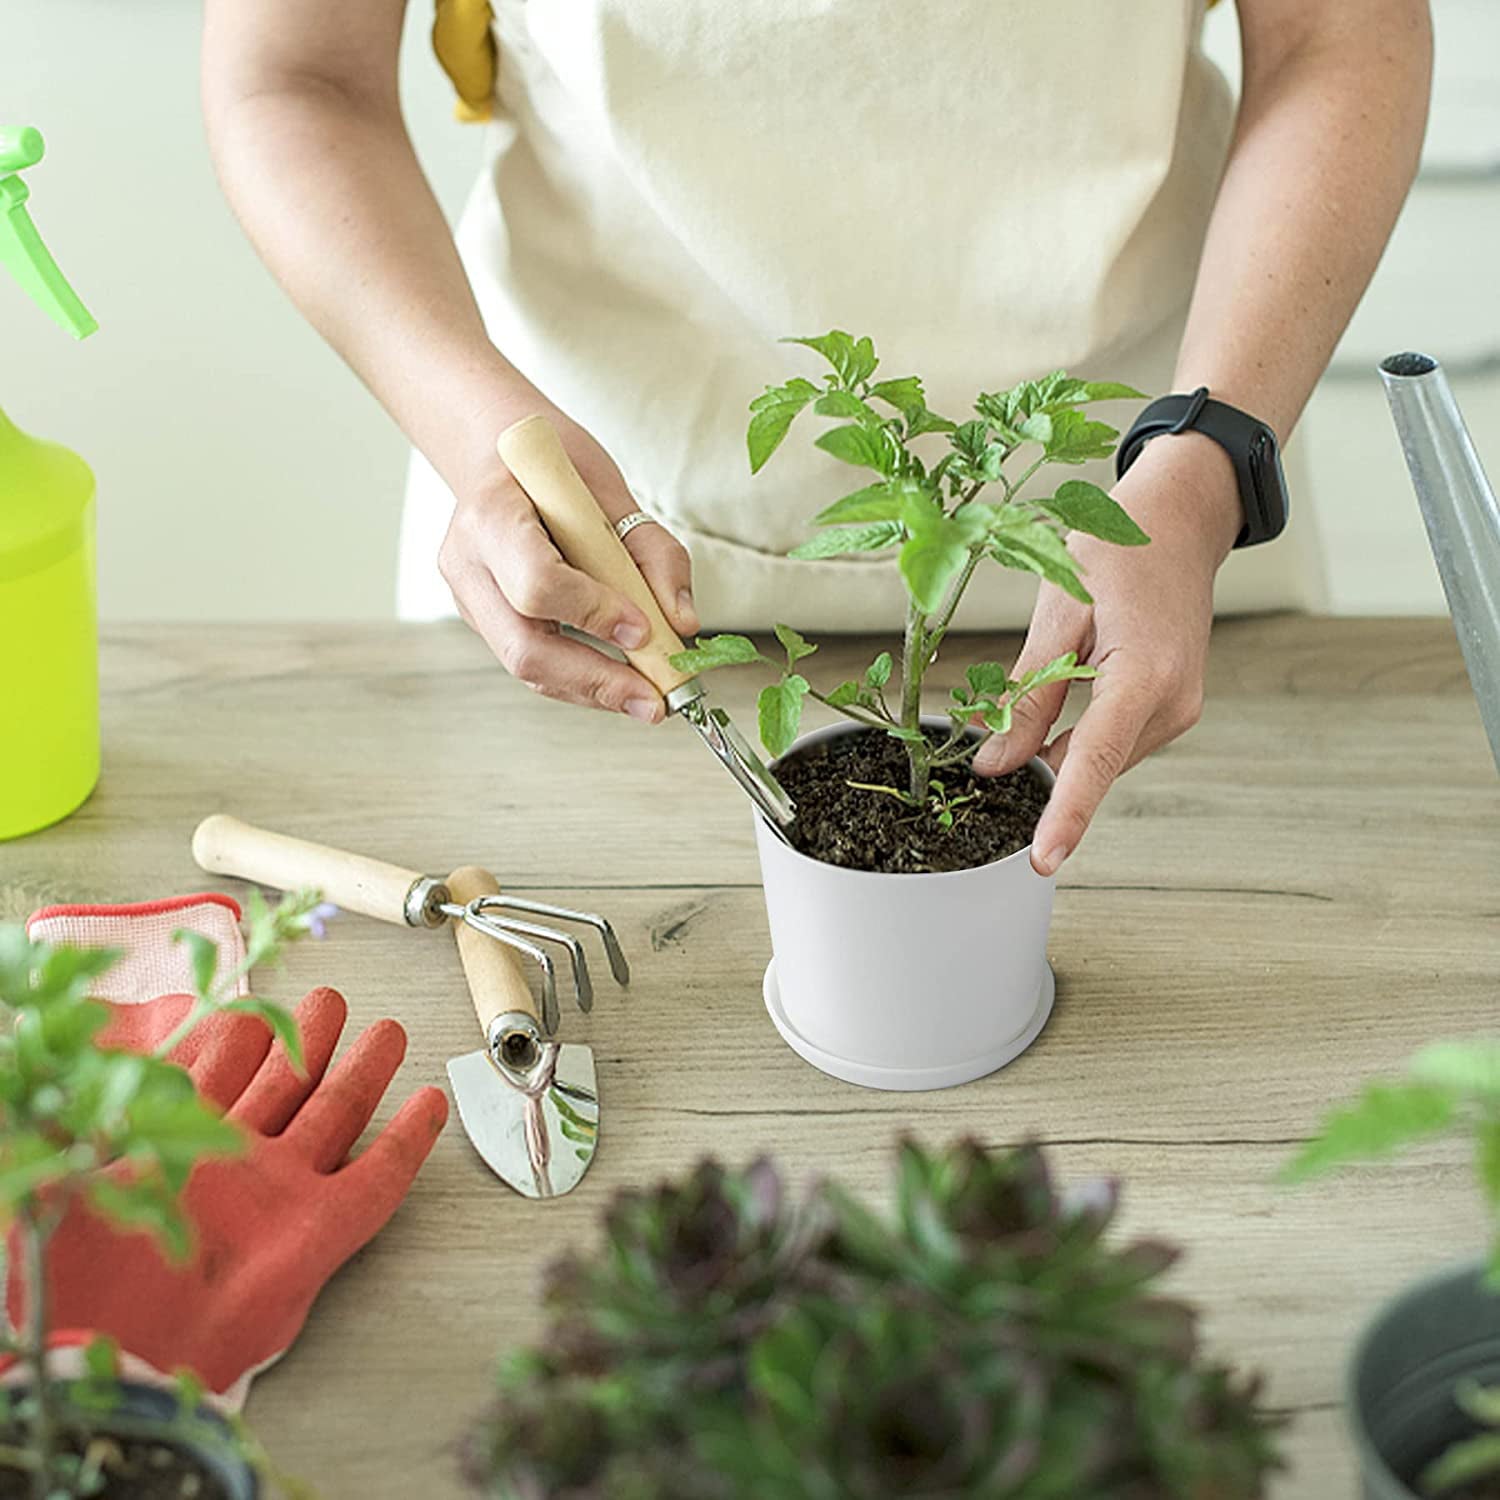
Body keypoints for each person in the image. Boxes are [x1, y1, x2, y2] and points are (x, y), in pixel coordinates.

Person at [201, 0, 1431, 875]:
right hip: (591, 534)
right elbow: (294, 71)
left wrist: (1207, 451)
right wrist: (476, 430)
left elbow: (1342, 29)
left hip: (1157, 503)